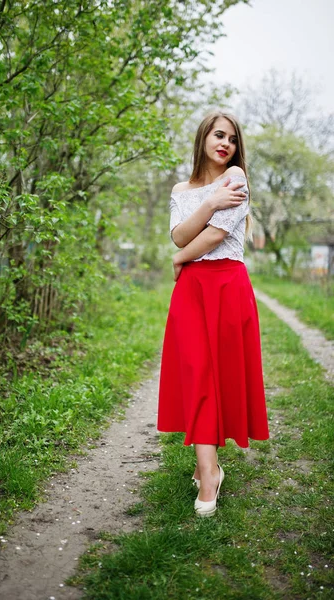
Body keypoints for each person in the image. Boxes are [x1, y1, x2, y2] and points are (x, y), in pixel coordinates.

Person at [157, 111, 269, 518]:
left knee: (218, 375)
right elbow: (180, 233)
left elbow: (212, 237)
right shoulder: (182, 188)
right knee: (198, 373)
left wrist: (177, 261)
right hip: (192, 292)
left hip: (227, 285)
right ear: (203, 137)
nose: (226, 144)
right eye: (219, 135)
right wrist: (208, 202)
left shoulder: (235, 177)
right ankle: (208, 475)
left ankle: (210, 467)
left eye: (233, 139)